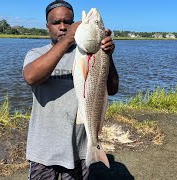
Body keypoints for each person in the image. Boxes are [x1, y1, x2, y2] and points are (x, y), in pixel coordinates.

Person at [22, 0, 119, 179]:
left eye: (68, 22)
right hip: (43, 149)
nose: (63, 27)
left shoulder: (88, 52)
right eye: (56, 22)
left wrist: (107, 56)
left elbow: (112, 89)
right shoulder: (36, 54)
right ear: (47, 27)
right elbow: (31, 77)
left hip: (79, 147)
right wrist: (67, 40)